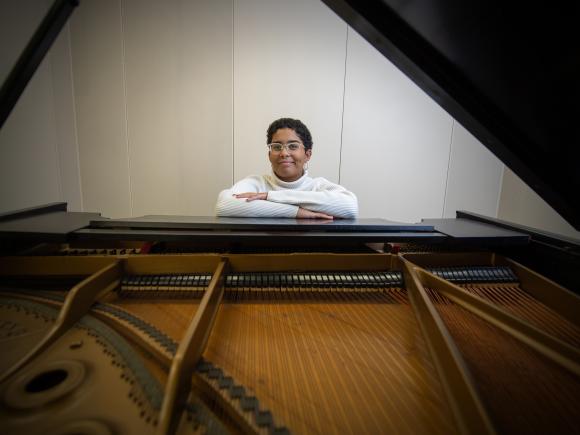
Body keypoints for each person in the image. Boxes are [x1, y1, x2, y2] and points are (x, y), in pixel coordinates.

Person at [215, 118, 358, 219]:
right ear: (269, 154)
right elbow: (224, 205)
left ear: (307, 154)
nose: (284, 153)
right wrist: (296, 212)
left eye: (293, 146)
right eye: (276, 147)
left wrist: (269, 196)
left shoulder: (317, 185)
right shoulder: (256, 183)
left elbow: (350, 207)